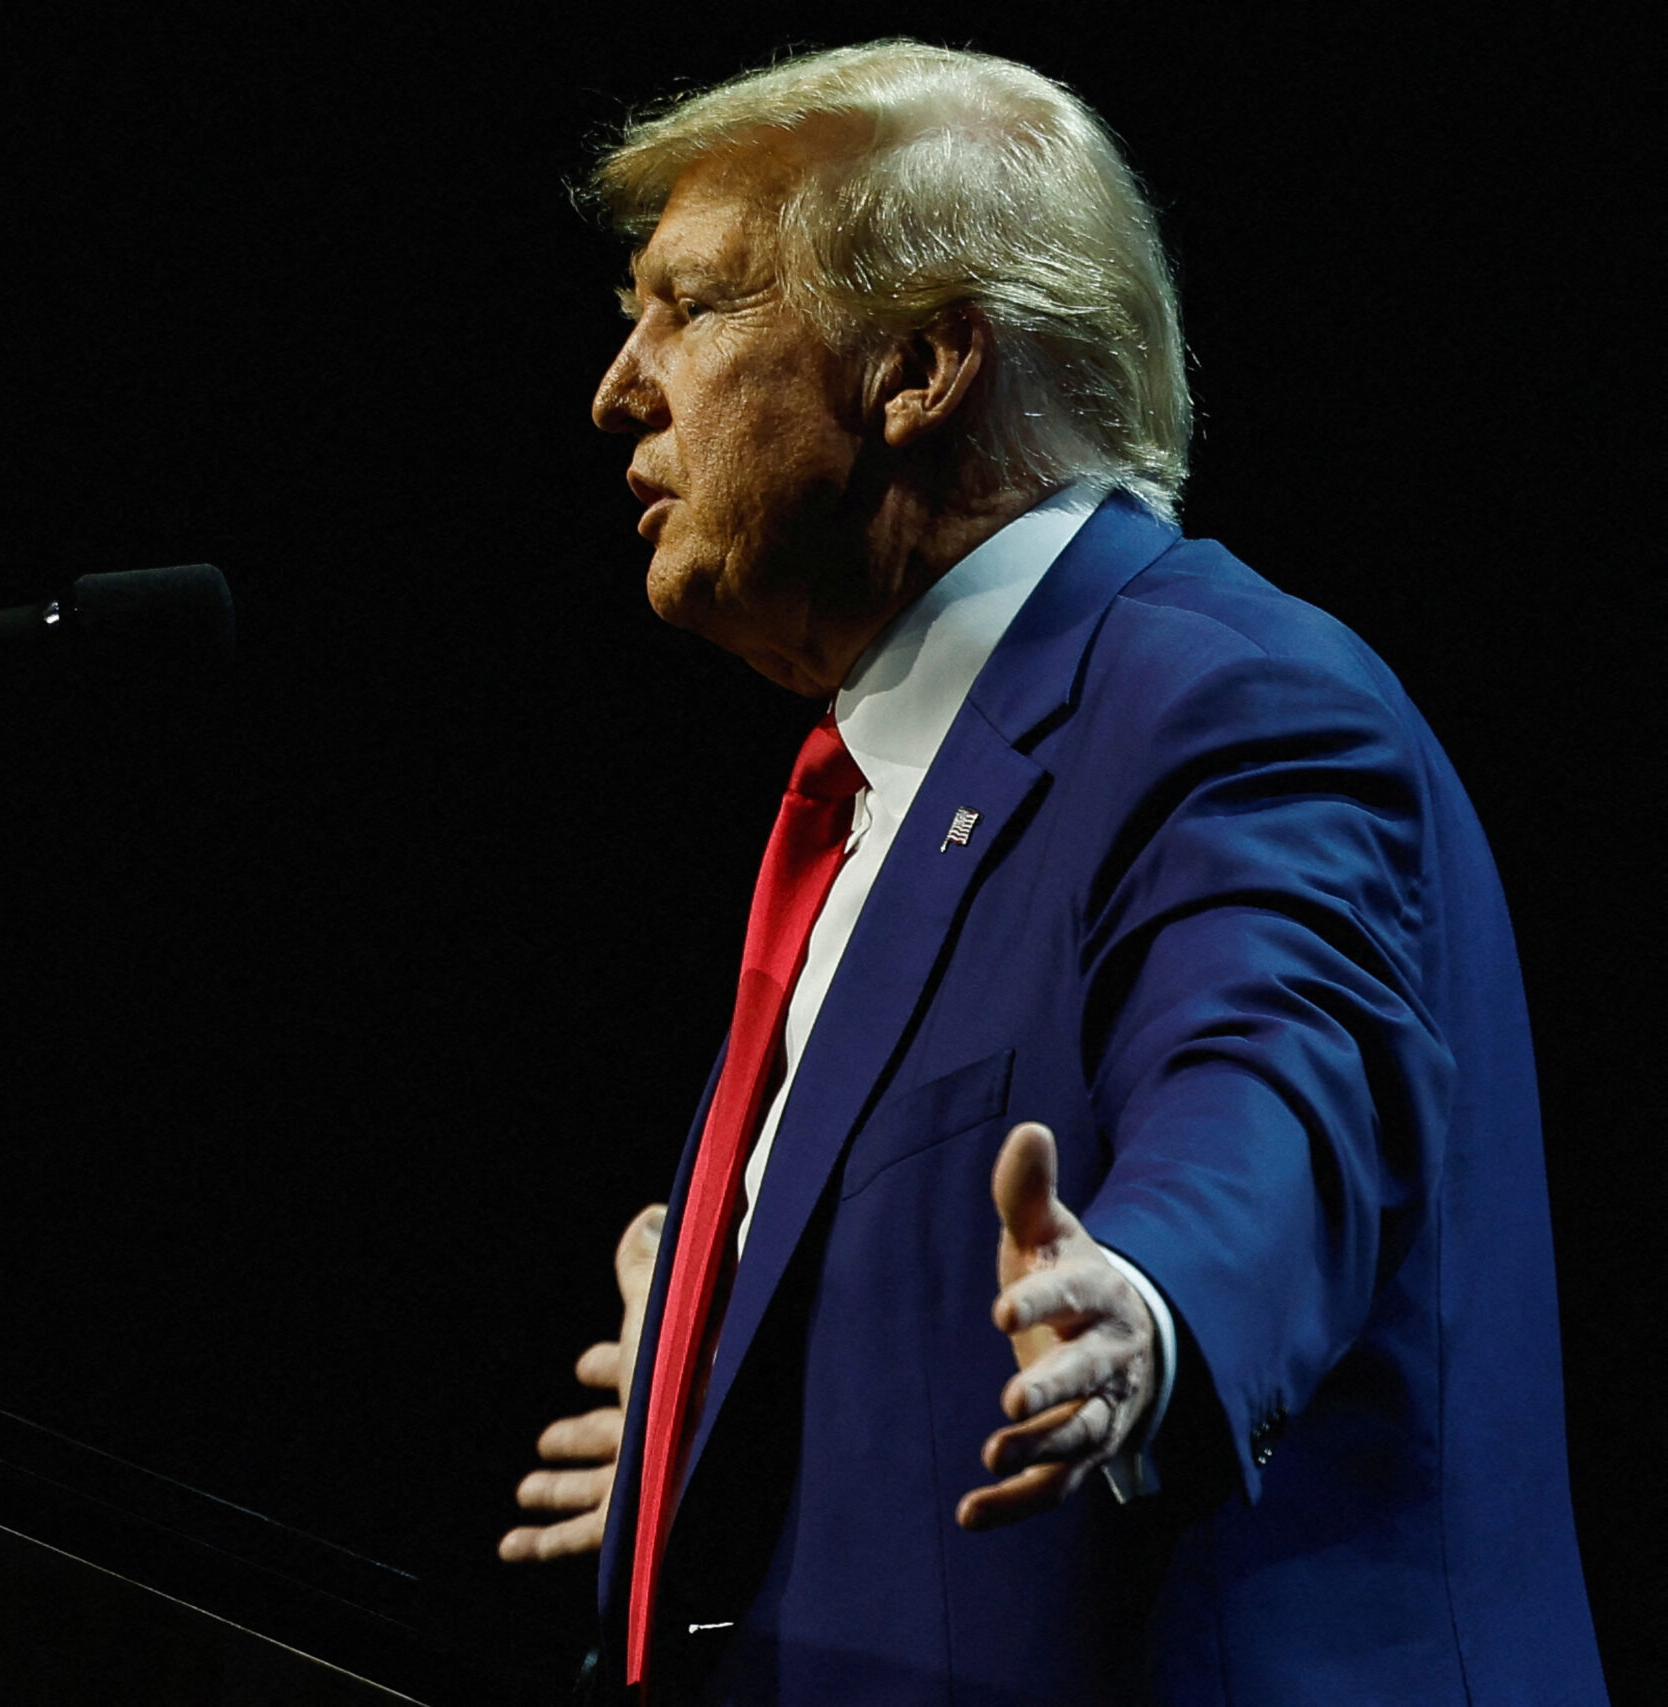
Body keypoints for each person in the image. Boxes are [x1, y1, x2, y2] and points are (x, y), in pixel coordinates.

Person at [497, 39, 1605, 1704]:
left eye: (695, 306)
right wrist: (708, 1411)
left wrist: (1147, 1311)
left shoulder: (1223, 692)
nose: (621, 385)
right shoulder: (888, 786)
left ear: (923, 365)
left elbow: (1282, 1088)